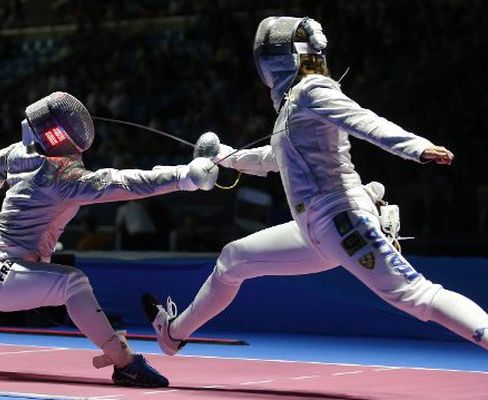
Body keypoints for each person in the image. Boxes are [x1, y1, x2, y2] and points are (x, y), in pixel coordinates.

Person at [143, 16, 488, 356]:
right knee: (233, 258)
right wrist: (226, 157)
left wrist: (416, 147)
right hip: (314, 231)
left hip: (342, 220)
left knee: (418, 295)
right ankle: (173, 334)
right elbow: (274, 159)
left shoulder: (312, 90)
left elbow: (362, 119)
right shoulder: (294, 106)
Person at [0, 91, 219, 387]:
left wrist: (2, 166)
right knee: (72, 283)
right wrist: (185, 176)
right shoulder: (62, 177)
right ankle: (125, 363)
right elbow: (125, 182)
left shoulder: (21, 155)